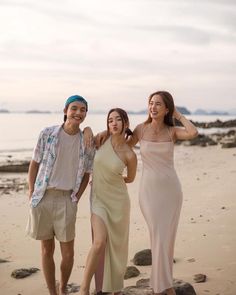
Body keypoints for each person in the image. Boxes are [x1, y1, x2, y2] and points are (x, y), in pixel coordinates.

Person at [127, 91, 198, 295]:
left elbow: (193, 133)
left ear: (167, 108)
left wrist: (179, 115)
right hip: (148, 192)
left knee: (166, 239)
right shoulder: (140, 129)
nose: (153, 107)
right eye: (151, 103)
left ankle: (162, 285)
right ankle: (165, 288)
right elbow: (123, 149)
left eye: (158, 104)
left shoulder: (172, 131)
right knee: (158, 235)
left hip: (171, 191)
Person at [26, 95, 95, 295]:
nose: (78, 113)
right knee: (46, 250)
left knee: (68, 253)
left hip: (67, 199)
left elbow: (87, 173)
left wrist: (76, 198)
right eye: (74, 108)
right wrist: (31, 192)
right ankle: (52, 292)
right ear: (65, 110)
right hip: (43, 198)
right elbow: (34, 163)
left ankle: (63, 287)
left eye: (83, 110)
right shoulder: (47, 134)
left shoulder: (87, 141)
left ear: (85, 115)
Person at [79, 108, 137, 295]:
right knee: (99, 243)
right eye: (110, 120)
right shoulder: (102, 139)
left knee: (117, 248)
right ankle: (84, 288)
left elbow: (130, 179)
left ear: (125, 123)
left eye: (118, 120)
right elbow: (84, 139)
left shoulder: (130, 154)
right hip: (98, 200)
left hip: (119, 203)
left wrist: (114, 179)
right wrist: (87, 127)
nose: (113, 123)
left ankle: (113, 289)